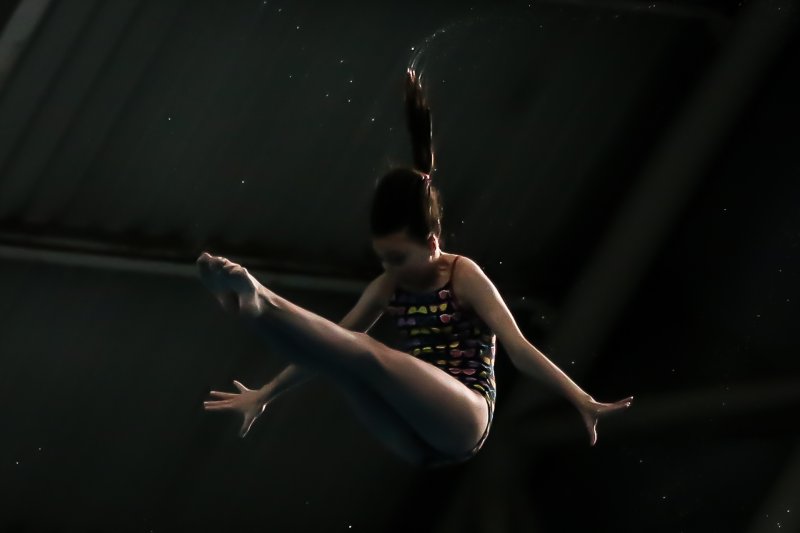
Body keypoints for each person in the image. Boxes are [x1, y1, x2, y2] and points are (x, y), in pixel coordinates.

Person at [201, 68, 633, 468]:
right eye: (383, 258)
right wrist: (265, 394)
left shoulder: (462, 275)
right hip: (413, 440)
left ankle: (263, 300)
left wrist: (580, 398)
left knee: (366, 354)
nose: (390, 268)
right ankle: (255, 315)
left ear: (431, 244)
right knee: (338, 360)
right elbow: (334, 337)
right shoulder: (388, 285)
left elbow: (518, 348)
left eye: (398, 258)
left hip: (465, 419)